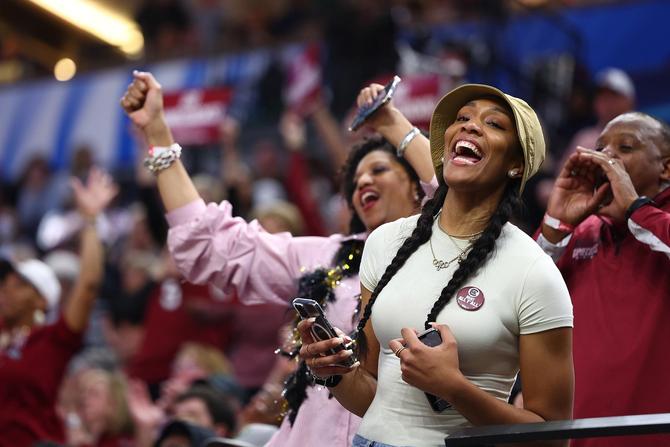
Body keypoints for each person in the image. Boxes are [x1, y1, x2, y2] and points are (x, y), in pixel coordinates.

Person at [120, 70, 437, 446]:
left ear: (416, 185)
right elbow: (212, 245)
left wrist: (391, 122)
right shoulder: (325, 254)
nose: (363, 182)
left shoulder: (443, 249)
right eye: (354, 182)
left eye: (379, 170)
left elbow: (456, 194)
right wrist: (158, 133)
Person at [299, 84, 575, 447]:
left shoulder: (534, 273)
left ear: (516, 165)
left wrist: (454, 388)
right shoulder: (386, 242)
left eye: (493, 124)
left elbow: (552, 438)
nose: (470, 126)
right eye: (462, 118)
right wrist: (334, 373)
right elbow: (374, 397)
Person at [536, 112, 670, 447]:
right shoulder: (580, 233)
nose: (605, 156)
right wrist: (556, 222)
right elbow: (521, 292)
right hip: (578, 437)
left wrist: (637, 209)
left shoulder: (660, 226)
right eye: (600, 147)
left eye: (625, 147)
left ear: (665, 168)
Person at [0, 168, 117, 446]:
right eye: (5, 284)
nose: (6, 290)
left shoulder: (52, 340)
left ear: (42, 300)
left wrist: (91, 220)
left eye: (20, 285)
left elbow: (88, 285)